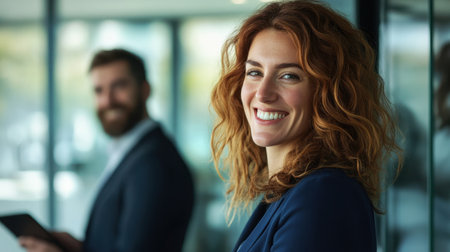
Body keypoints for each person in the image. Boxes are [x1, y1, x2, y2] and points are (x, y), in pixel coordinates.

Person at [210, 1, 401, 251]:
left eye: (288, 76)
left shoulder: (323, 195)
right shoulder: (289, 191)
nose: (263, 94)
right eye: (254, 72)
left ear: (330, 94)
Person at [19, 49, 194, 252]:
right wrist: (78, 247)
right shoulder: (132, 153)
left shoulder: (153, 163)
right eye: (98, 91)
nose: (107, 100)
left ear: (145, 90)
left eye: (119, 86)